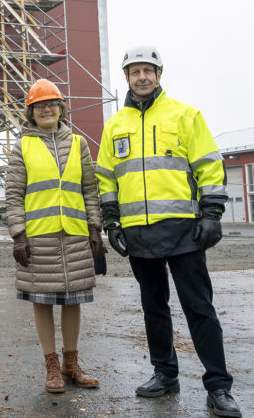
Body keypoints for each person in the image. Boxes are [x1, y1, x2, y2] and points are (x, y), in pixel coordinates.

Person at [95, 46, 241, 417]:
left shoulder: (185, 115)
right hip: (139, 234)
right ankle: (164, 373)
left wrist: (211, 213)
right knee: (153, 309)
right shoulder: (114, 125)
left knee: (199, 308)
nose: (141, 77)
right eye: (134, 71)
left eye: (148, 70)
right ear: (126, 78)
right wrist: (111, 221)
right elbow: (106, 178)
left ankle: (219, 386)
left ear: (159, 74)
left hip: (184, 232)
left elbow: (209, 165)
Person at [6, 79, 104, 393]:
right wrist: (18, 235)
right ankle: (51, 367)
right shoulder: (22, 146)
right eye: (39, 105)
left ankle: (71, 363)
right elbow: (13, 195)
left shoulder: (78, 144)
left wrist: (94, 227)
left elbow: (90, 189)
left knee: (74, 299)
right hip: (39, 237)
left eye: (52, 103)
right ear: (30, 112)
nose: (46, 109)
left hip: (74, 235)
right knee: (43, 301)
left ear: (61, 108)